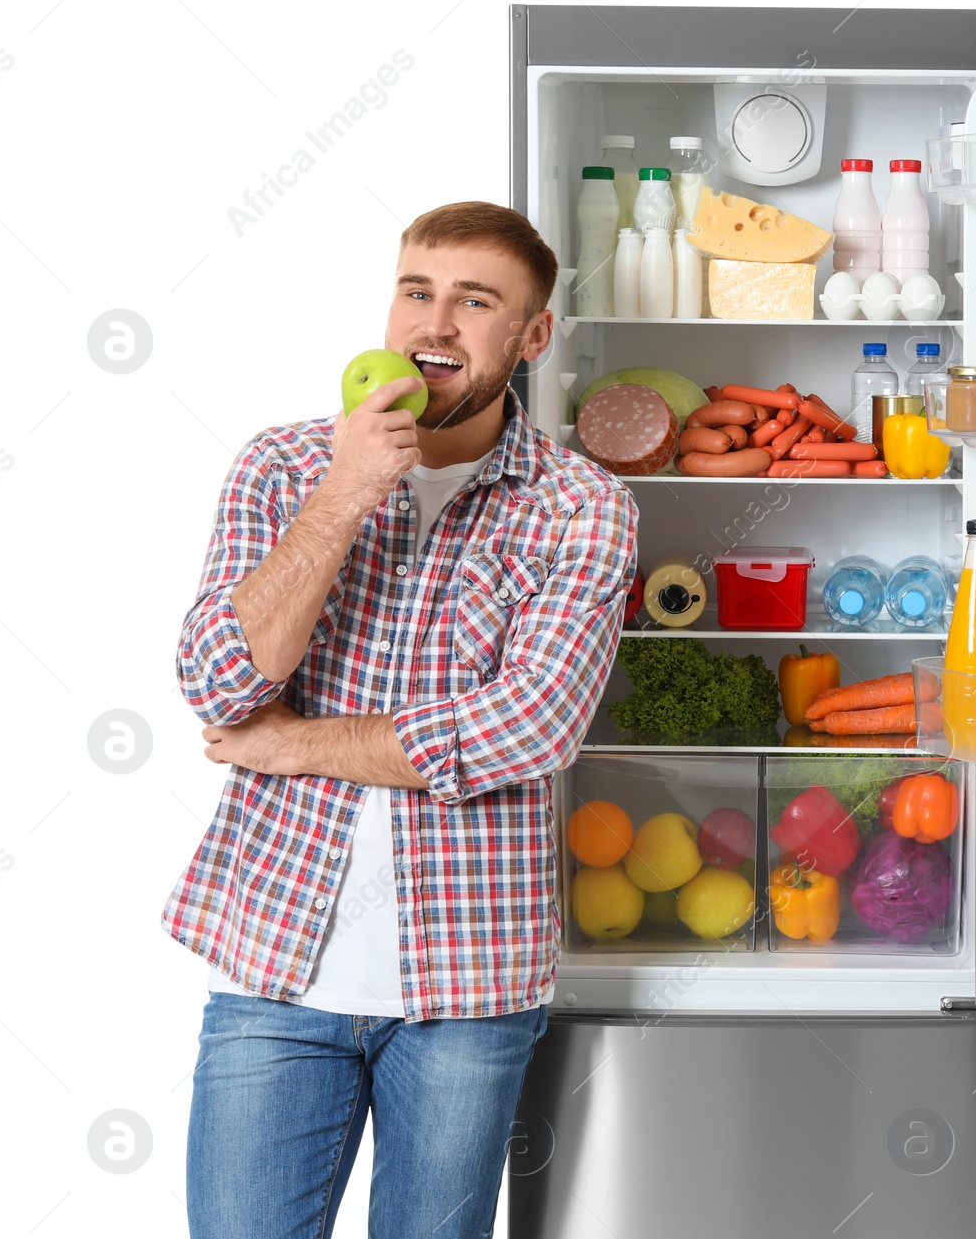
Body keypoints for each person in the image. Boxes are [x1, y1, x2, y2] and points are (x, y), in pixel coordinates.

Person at [163, 202, 637, 1238]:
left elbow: (529, 727)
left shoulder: (580, 505)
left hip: (470, 981)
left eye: (477, 303)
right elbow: (215, 681)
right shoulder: (285, 466)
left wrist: (291, 742)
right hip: (275, 969)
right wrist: (344, 494)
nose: (436, 324)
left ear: (532, 335)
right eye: (418, 291)